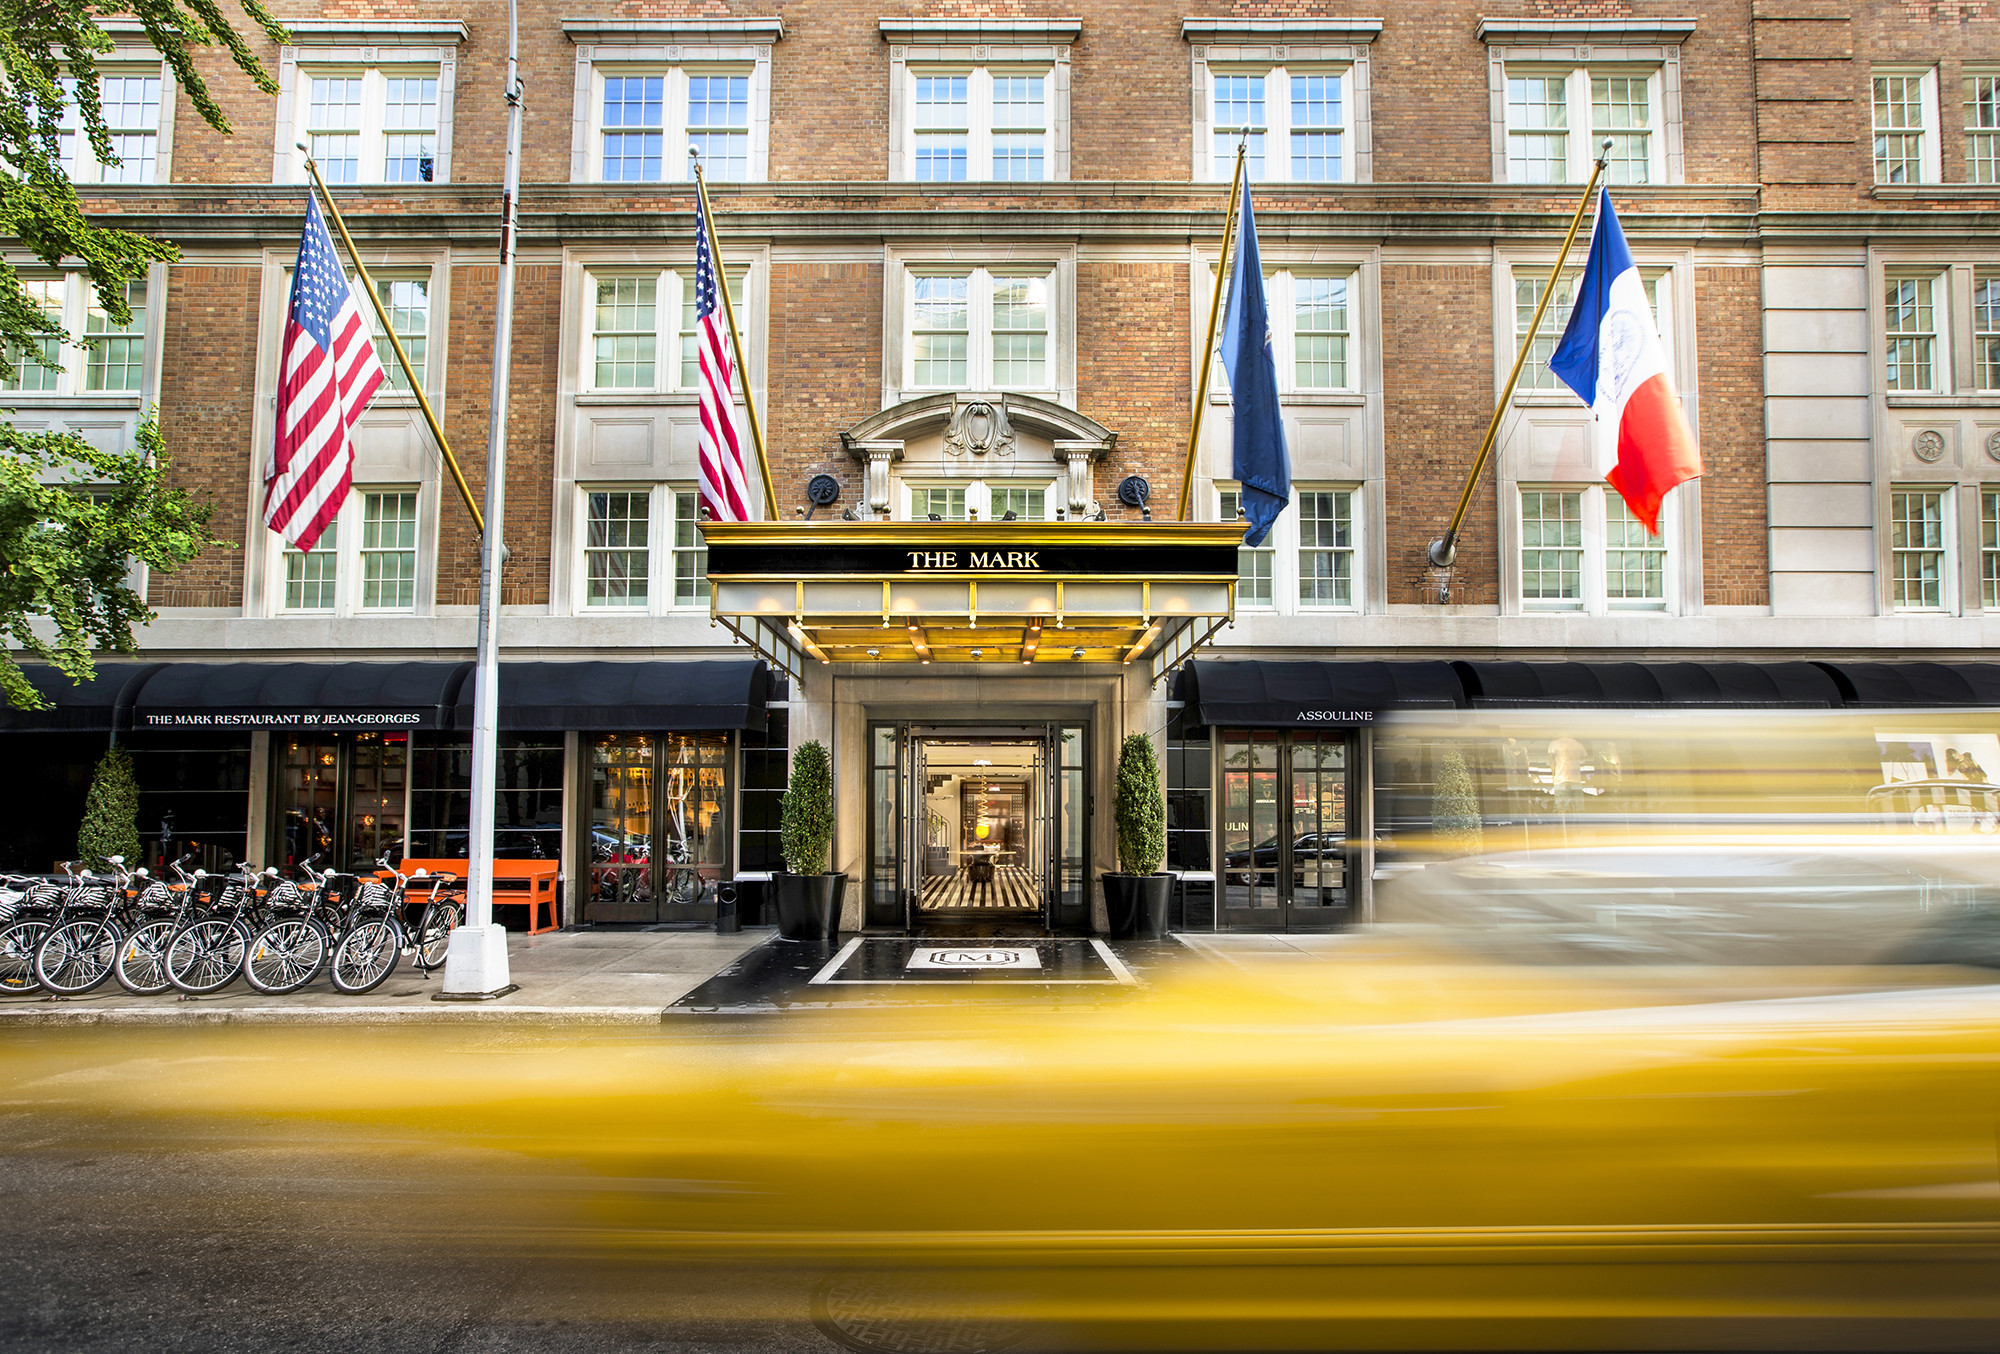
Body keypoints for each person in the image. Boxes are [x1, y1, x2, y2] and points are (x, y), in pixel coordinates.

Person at [1547, 735, 1589, 814]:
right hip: (1576, 780)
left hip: (1561, 779)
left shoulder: (1554, 743)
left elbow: (1551, 761)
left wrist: (1553, 776)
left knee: (1562, 809)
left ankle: (1564, 825)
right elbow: (1584, 760)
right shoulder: (1579, 745)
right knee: (1578, 809)